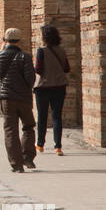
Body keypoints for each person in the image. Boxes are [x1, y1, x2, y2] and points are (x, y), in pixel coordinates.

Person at [0, 28, 37, 172]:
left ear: (5, 40)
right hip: (23, 97)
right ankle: (27, 157)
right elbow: (31, 79)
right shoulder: (25, 57)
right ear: (19, 40)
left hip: (6, 98)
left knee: (10, 130)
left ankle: (16, 164)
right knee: (28, 127)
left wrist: (0, 49)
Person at [33, 25, 71, 156]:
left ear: (44, 37)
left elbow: (38, 69)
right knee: (57, 117)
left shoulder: (41, 51)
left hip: (43, 87)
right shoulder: (61, 50)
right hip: (59, 86)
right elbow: (66, 68)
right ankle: (58, 147)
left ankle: (40, 144)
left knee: (42, 116)